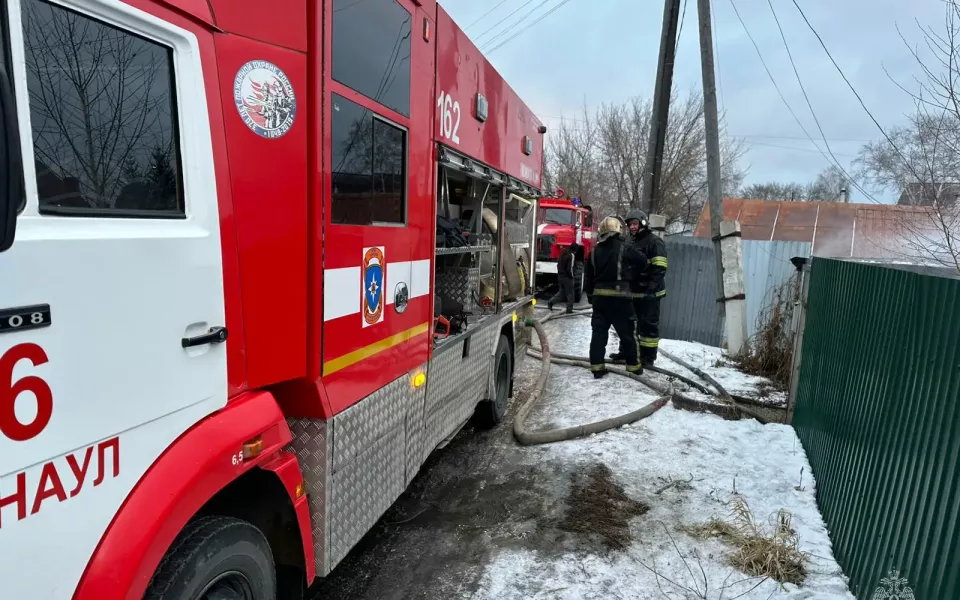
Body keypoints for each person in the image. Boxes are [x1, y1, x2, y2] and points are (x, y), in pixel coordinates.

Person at [583, 216, 648, 379]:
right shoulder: (625, 247)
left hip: (599, 300)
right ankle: (634, 367)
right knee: (628, 334)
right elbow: (642, 262)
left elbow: (588, 278)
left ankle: (597, 368)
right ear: (618, 230)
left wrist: (591, 297)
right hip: (621, 300)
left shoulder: (593, 251)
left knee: (598, 334)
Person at [610, 209, 668, 366]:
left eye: (635, 223)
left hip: (650, 293)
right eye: (630, 225)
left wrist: (651, 289)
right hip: (633, 291)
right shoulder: (631, 242)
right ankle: (625, 353)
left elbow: (660, 268)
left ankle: (647, 358)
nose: (632, 227)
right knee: (627, 324)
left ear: (643, 223)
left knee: (648, 326)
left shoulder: (654, 242)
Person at [548, 242, 579, 313]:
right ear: (575, 249)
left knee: (562, 292)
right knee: (570, 294)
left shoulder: (563, 252)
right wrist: (572, 277)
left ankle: (551, 302)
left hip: (560, 276)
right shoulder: (571, 255)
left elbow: (558, 264)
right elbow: (570, 268)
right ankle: (569, 310)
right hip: (567, 277)